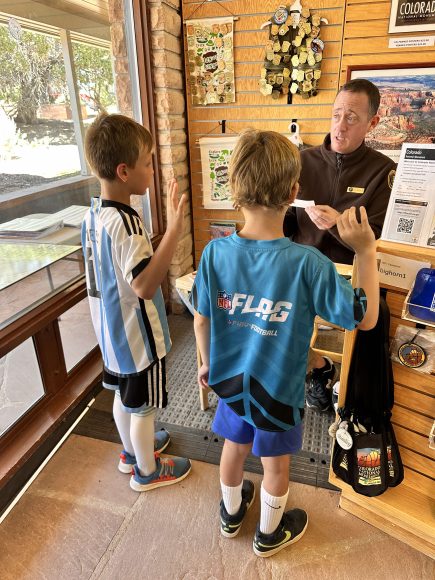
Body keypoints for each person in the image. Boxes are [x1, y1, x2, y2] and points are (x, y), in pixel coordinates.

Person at [191, 129, 379, 557]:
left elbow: (202, 319)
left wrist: (206, 363)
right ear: (295, 192)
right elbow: (364, 318)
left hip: (229, 383)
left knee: (233, 449)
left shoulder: (214, 254)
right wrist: (365, 252)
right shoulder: (309, 263)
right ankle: (269, 534)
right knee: (276, 466)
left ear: (234, 189)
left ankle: (231, 514)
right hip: (277, 391)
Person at [81, 113, 191, 492]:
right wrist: (174, 231)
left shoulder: (93, 215)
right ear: (124, 171)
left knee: (121, 396)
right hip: (137, 338)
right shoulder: (126, 224)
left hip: (110, 335)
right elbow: (144, 285)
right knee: (143, 406)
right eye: (148, 163)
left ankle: (130, 452)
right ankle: (147, 470)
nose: (152, 170)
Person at [284, 78, 396, 413]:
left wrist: (337, 224)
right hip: (300, 268)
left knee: (379, 317)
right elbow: (286, 224)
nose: (339, 126)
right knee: (267, 301)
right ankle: (318, 367)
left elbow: (374, 238)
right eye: (336, 114)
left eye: (351, 118)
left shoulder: (384, 171)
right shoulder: (301, 161)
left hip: (346, 275)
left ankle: (355, 395)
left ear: (372, 123)